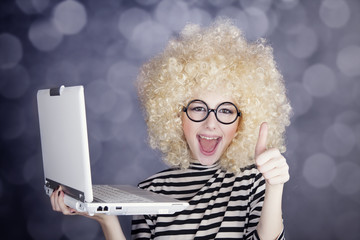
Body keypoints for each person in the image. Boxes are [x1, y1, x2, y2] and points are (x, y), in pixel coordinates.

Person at [50, 18, 292, 240]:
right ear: (177, 114)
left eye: (226, 111)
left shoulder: (254, 182)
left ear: (242, 122)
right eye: (198, 108)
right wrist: (106, 219)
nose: (211, 123)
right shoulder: (151, 191)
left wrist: (275, 186)